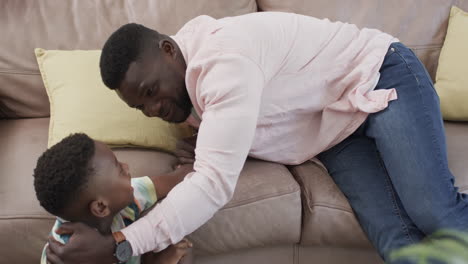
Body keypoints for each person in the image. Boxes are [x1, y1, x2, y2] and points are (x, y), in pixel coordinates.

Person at [46, 11, 468, 263]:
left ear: (169, 51)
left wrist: (119, 244)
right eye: (141, 107)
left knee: (433, 211)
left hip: (379, 75)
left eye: (152, 92)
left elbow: (213, 184)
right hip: (335, 132)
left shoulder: (223, 62)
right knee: (398, 243)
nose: (154, 109)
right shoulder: (190, 95)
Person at [34, 133, 194, 264]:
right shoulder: (68, 254)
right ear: (101, 207)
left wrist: (197, 160)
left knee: (182, 251)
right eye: (119, 169)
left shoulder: (128, 196)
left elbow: (176, 179)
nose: (127, 167)